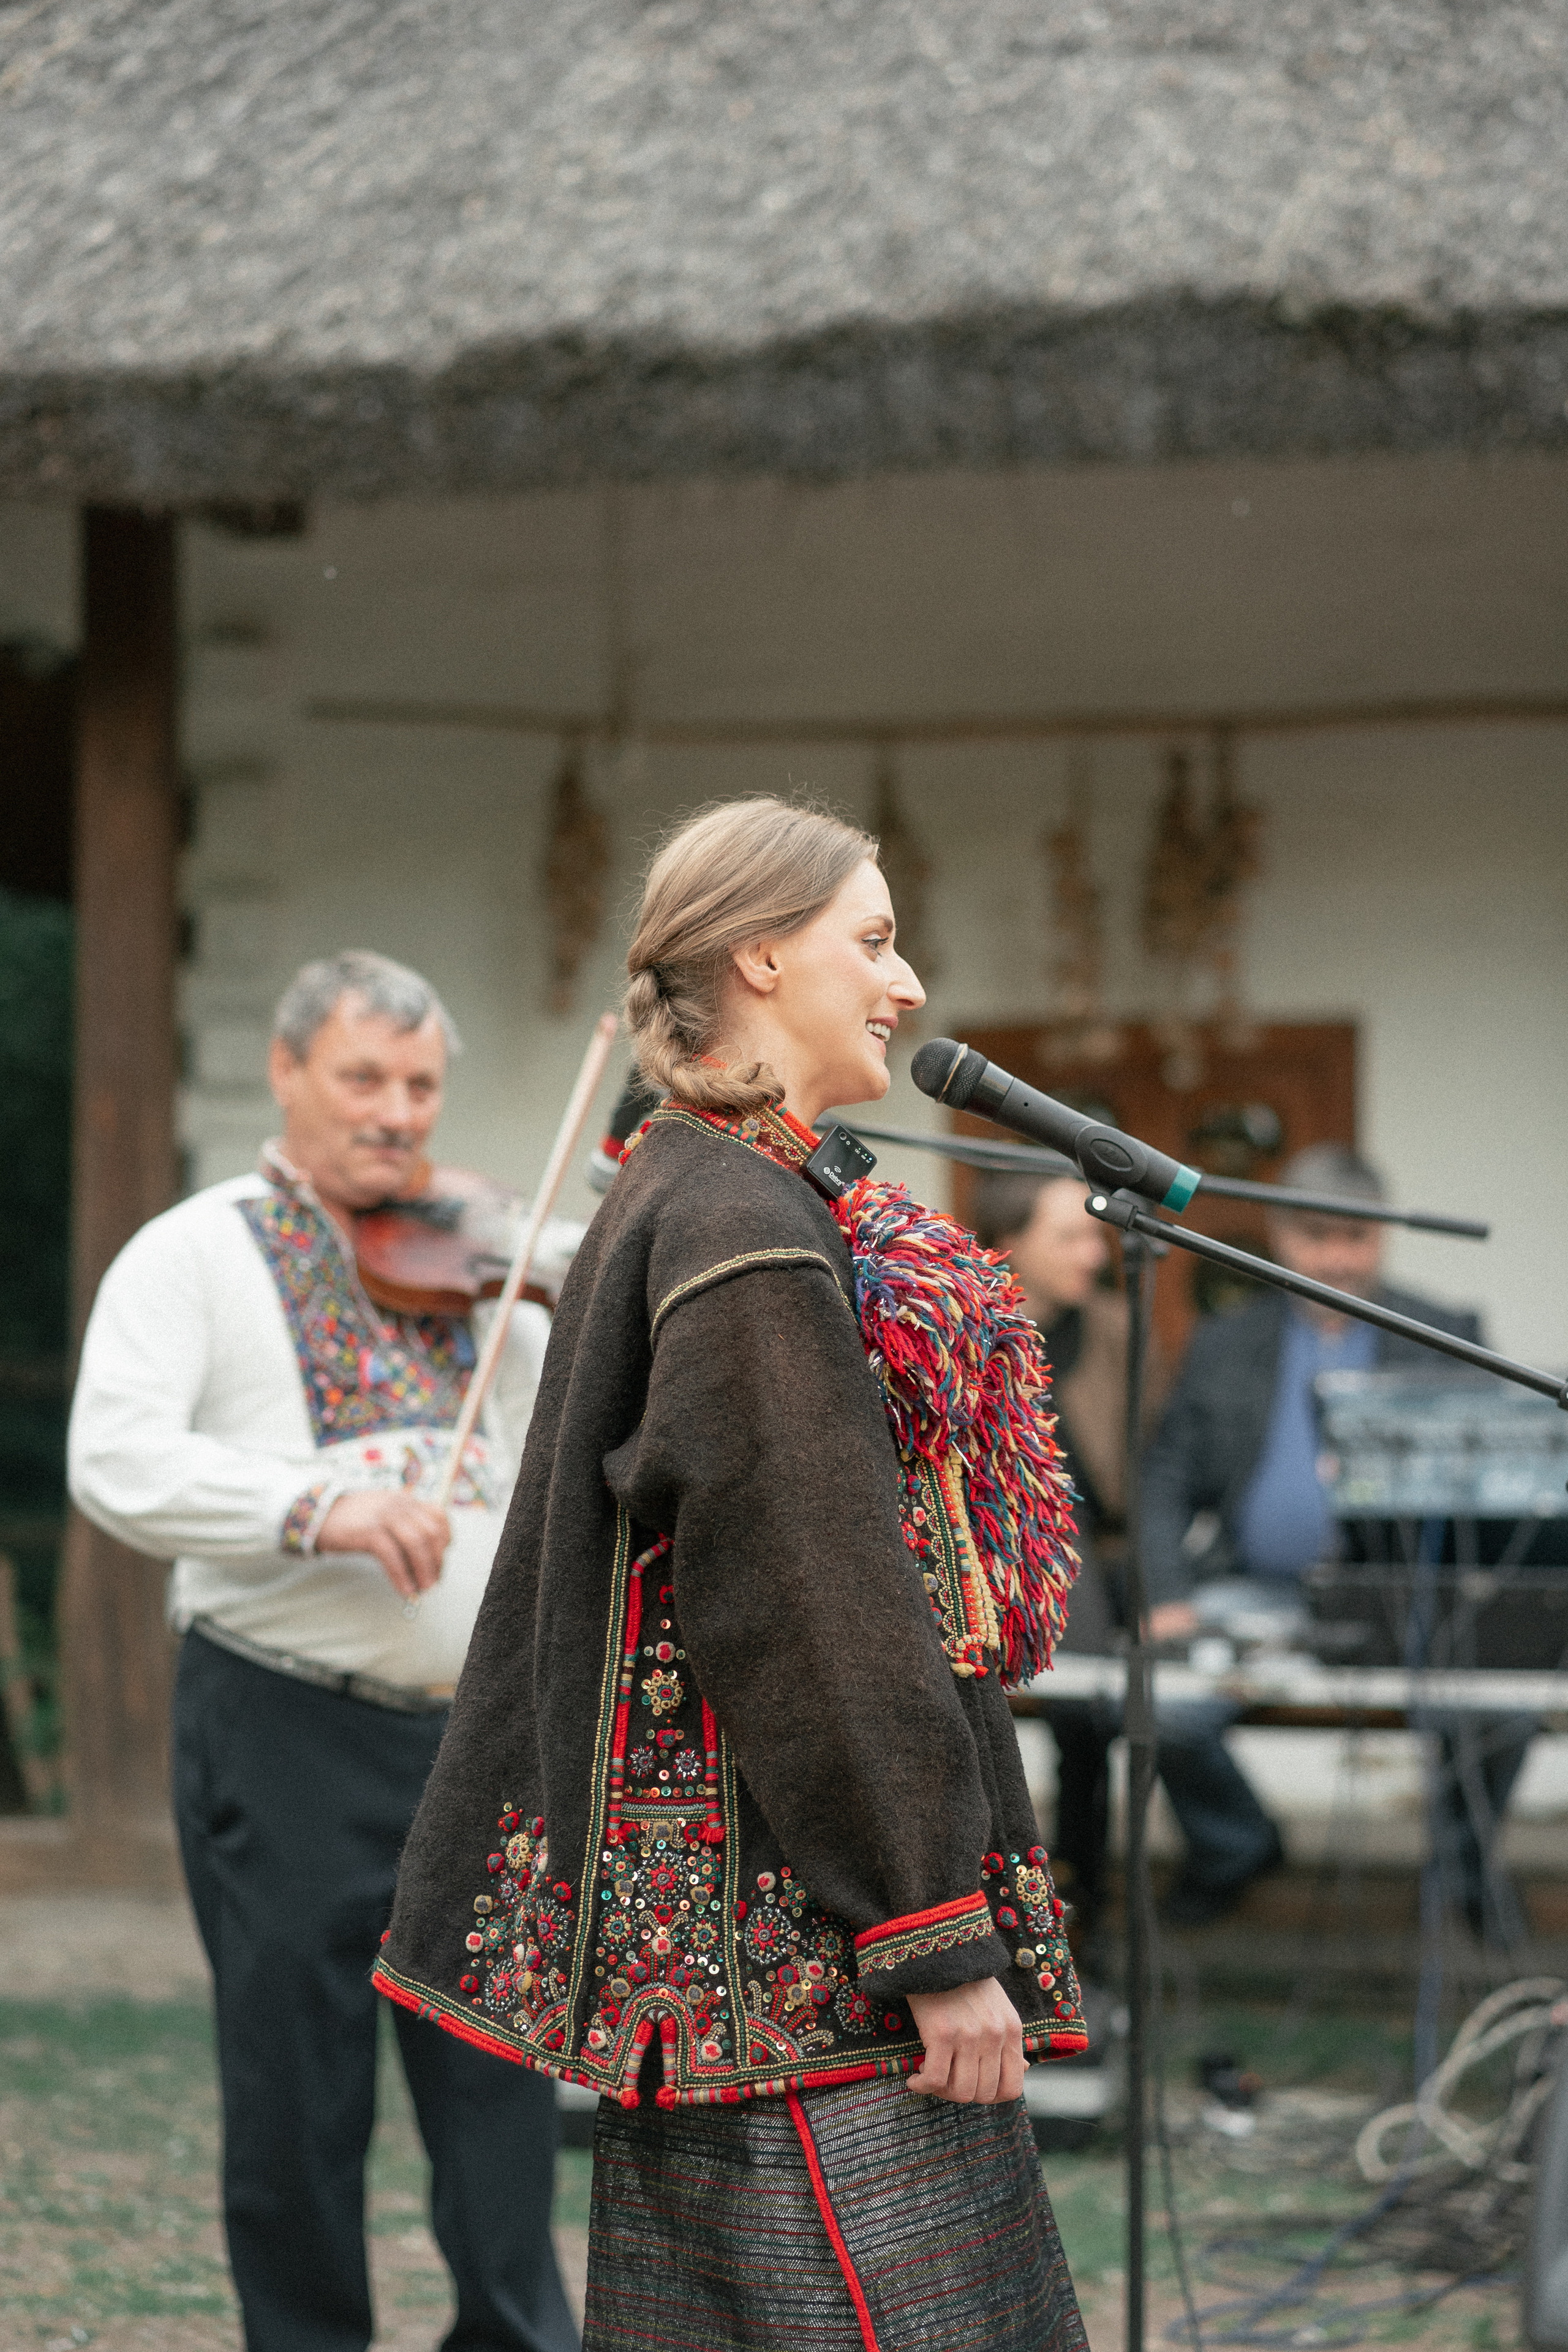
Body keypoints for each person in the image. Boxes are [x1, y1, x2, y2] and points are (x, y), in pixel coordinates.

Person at [376, 801, 1091, 2352]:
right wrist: (933, 1932)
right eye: (874, 939)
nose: (903, 986)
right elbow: (813, 1607)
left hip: (720, 1948)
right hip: (807, 1958)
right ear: (760, 955)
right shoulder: (744, 1223)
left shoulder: (692, 1180)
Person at [68, 951, 579, 2352]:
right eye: (364, 1076)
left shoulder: (485, 1258)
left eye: (419, 1084)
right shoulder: (194, 1250)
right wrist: (315, 1503)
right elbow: (115, 1459)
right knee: (296, 2098)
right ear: (289, 1069)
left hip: (477, 1730)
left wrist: (573, 1300)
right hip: (281, 1723)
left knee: (500, 2086)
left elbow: (564, 1460)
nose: (398, 1111)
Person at [1140, 1142, 1510, 1930]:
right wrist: (1168, 1595)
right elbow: (1165, 1477)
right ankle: (1236, 1847)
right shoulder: (1225, 1341)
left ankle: (1460, 1875)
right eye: (1317, 1235)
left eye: (1356, 1237)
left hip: (1406, 1597)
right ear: (1280, 1235)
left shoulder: (1447, 1332)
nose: (1337, 1258)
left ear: (1383, 1237)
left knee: (1499, 1707)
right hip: (1260, 1593)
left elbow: (1489, 1480)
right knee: (1160, 1708)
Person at [970, 1168, 1167, 1942]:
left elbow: (1144, 1467)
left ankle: (1078, 1892)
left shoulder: (1117, 1331)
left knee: (1093, 1714)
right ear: (1009, 1247)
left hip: (1092, 1556)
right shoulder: (966, 1329)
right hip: (992, 1553)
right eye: (1072, 1236)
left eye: (1097, 1234)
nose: (1096, 1251)